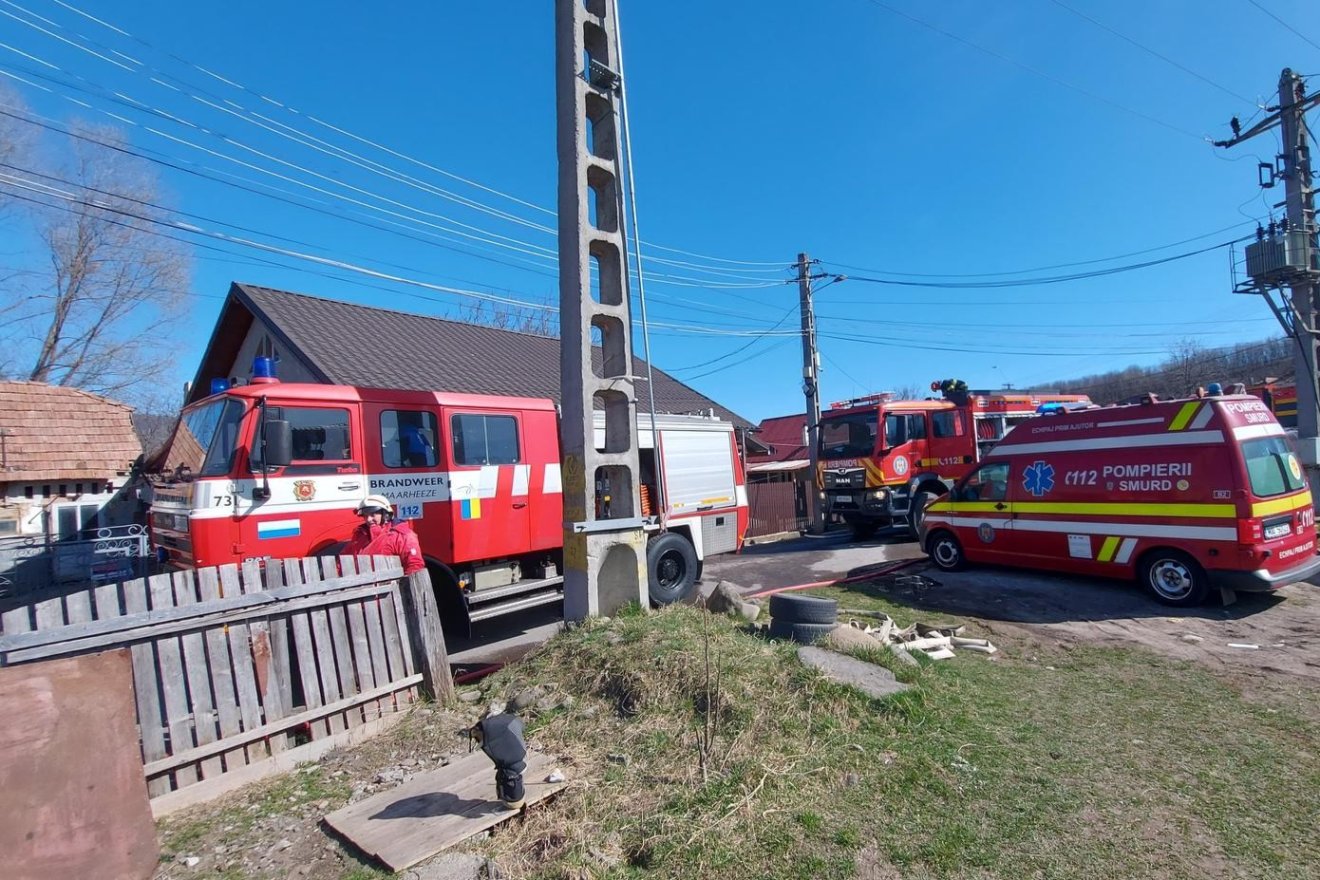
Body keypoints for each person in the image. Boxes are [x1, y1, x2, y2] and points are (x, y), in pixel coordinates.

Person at [344, 494, 425, 575]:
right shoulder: (360, 535)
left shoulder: (402, 535)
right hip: (359, 585)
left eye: (373, 514)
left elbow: (415, 566)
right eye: (365, 515)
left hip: (390, 586)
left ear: (385, 515)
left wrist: (403, 586)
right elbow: (343, 561)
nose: (368, 519)